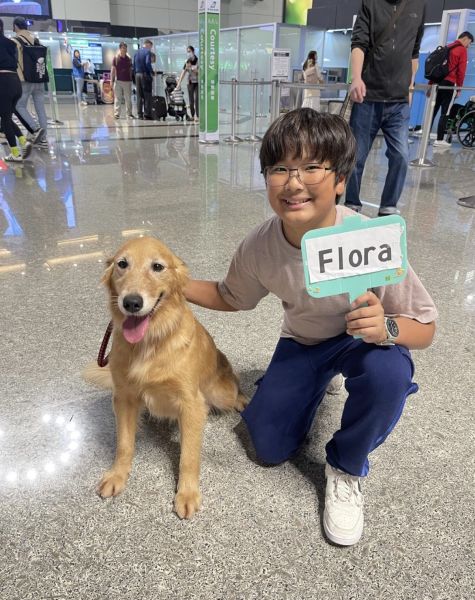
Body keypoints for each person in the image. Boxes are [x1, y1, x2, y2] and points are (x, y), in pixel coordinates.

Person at [184, 108, 437, 546]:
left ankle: (346, 466)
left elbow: (426, 327)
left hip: (362, 342)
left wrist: (387, 329)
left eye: (312, 167)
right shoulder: (259, 245)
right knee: (268, 448)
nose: (293, 182)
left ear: (340, 180)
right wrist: (171, 283)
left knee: (388, 373)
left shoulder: (369, 237)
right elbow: (231, 296)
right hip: (302, 342)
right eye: (280, 169)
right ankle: (309, 387)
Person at [345, 0, 426, 216]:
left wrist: (410, 87)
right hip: (368, 97)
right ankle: (352, 203)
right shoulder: (371, 3)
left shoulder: (419, 6)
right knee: (356, 156)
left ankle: (388, 207)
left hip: (398, 101)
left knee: (401, 155)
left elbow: (414, 52)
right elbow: (358, 43)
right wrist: (356, 78)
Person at [429, 31, 474, 149]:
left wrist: (431, 83)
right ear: (465, 39)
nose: (468, 46)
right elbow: (461, 71)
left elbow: (437, 66)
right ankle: (439, 140)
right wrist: (459, 88)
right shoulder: (462, 50)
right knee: (445, 112)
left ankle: (426, 136)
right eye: (469, 43)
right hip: (450, 84)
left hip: (439, 83)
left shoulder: (448, 47)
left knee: (433, 110)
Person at [12, 16, 48, 149]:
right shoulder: (36, 39)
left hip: (25, 80)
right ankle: (43, 140)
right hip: (39, 78)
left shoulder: (15, 41)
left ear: (15, 26)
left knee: (19, 106)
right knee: (40, 109)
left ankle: (35, 129)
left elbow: (14, 62)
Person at [0, 18, 32, 162]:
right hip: (15, 82)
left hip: (3, 82)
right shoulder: (11, 43)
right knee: (5, 115)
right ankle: (23, 142)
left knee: (5, 119)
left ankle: (15, 153)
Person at [111, 42, 134, 119]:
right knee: (118, 98)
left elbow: (131, 70)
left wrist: (131, 80)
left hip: (127, 81)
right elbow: (113, 70)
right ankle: (116, 114)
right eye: (123, 48)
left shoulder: (129, 59)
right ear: (120, 48)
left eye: (125, 48)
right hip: (118, 81)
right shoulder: (116, 58)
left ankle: (129, 114)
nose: (124, 49)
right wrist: (111, 80)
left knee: (128, 98)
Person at [177, 46, 199, 122]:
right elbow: (183, 73)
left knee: (197, 99)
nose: (188, 53)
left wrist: (194, 70)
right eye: (187, 52)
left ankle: (198, 116)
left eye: (189, 51)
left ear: (193, 51)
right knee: (191, 100)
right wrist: (179, 83)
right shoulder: (187, 61)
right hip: (190, 82)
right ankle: (192, 115)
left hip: (197, 82)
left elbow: (201, 72)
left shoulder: (198, 61)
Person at [133, 39, 154, 120]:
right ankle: (147, 114)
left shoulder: (136, 52)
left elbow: (134, 65)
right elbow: (147, 63)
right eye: (151, 47)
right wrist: (151, 72)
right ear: (148, 44)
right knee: (147, 95)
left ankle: (139, 114)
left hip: (137, 75)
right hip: (145, 75)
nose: (150, 48)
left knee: (139, 95)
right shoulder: (147, 52)